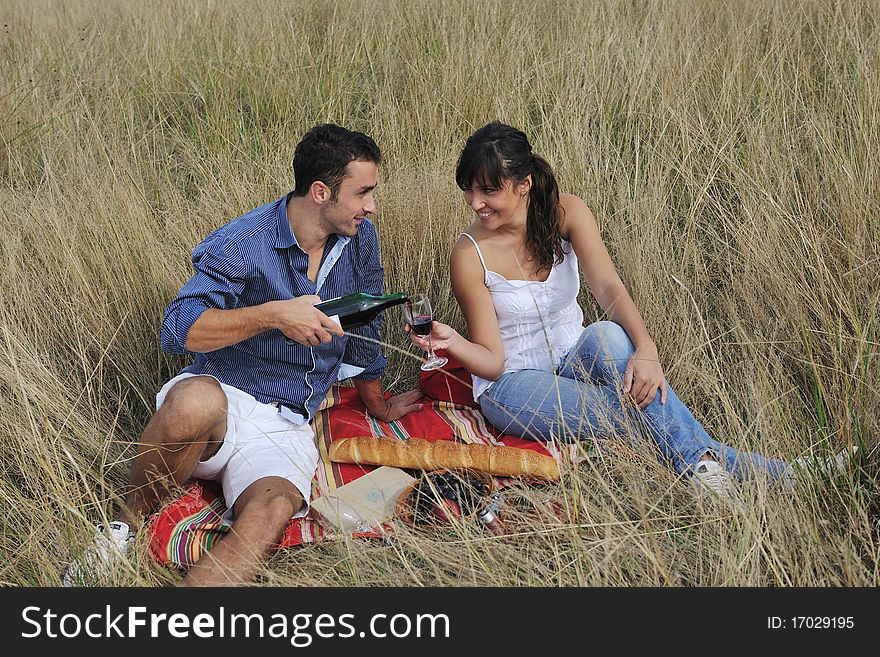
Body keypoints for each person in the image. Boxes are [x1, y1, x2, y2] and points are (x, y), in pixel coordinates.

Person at [409, 122, 852, 501]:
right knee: (640, 415)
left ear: (523, 185)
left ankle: (715, 471)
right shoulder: (469, 254)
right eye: (468, 190)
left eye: (489, 190)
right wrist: (456, 344)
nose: (475, 202)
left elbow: (608, 286)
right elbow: (493, 361)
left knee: (610, 336)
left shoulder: (566, 212)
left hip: (574, 357)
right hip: (514, 384)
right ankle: (775, 474)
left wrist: (646, 348)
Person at [64, 124, 422, 586]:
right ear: (320, 192)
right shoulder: (245, 240)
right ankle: (123, 530)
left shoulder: (360, 238)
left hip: (288, 423)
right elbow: (178, 329)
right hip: (223, 401)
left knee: (270, 512)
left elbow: (364, 321)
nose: (371, 206)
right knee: (194, 400)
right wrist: (273, 315)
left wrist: (377, 402)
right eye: (363, 193)